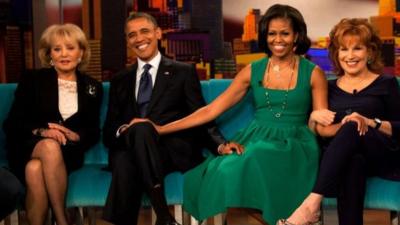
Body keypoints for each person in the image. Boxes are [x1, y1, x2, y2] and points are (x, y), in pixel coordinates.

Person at [133, 4, 334, 224]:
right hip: (257, 136)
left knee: (258, 155)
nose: (278, 39)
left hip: (296, 143)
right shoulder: (252, 70)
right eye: (272, 33)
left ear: (296, 35)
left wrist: (340, 125)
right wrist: (161, 128)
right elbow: (211, 110)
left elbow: (320, 121)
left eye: (285, 33)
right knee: (224, 171)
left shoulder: (314, 74)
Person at [102, 12, 226, 225]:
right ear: (128, 41)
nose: (139, 38)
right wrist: (126, 129)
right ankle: (164, 216)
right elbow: (109, 130)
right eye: (132, 35)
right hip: (134, 146)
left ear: (158, 33)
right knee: (132, 144)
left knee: (128, 155)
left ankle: (161, 217)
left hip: (171, 149)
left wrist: (220, 145)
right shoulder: (120, 80)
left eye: (144, 31)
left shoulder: (183, 72)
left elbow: (201, 115)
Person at [281, 18, 400, 225]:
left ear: (370, 52)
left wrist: (371, 122)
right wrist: (312, 118)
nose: (350, 56)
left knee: (353, 124)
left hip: (381, 154)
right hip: (345, 157)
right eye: (343, 49)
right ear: (336, 54)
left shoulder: (386, 83)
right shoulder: (329, 87)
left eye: (358, 48)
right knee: (353, 162)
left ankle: (311, 204)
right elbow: (316, 131)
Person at [3, 23, 103, 225]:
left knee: (34, 169)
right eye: (57, 49)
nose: (64, 54)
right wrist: (42, 131)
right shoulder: (33, 80)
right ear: (50, 55)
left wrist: (76, 136)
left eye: (70, 48)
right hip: (28, 145)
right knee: (48, 147)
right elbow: (12, 123)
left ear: (81, 53)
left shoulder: (92, 87)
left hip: (68, 152)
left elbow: (93, 130)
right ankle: (62, 219)